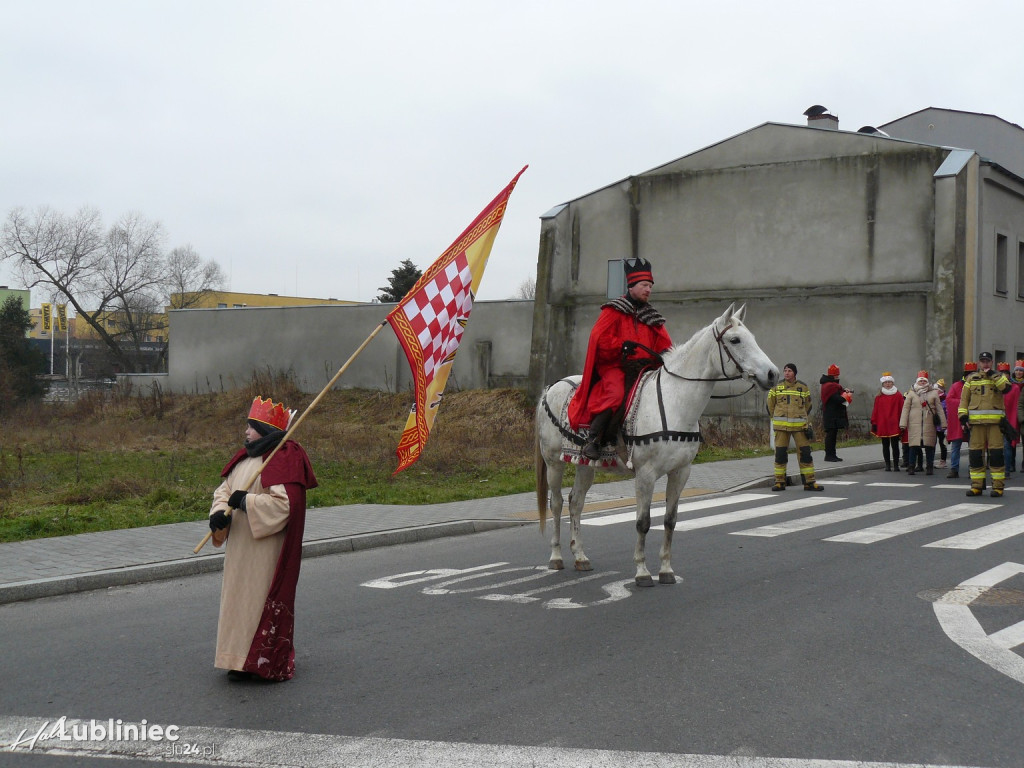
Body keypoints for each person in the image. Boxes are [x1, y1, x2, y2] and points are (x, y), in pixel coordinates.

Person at [209, 395, 317, 681]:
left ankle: (259, 662)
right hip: (240, 547)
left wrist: (248, 503)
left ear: (264, 430)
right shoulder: (245, 460)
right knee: (236, 601)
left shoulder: (282, 459)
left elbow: (285, 506)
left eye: (251, 426)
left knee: (256, 601)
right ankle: (236, 659)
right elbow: (224, 491)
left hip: (266, 549)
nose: (246, 432)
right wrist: (218, 514)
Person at [568, 257, 673, 460]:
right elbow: (599, 339)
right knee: (616, 395)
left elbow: (665, 345)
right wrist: (621, 346)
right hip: (616, 366)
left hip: (645, 369)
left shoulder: (652, 316)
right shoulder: (613, 310)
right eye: (644, 285)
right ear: (631, 286)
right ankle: (594, 439)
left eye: (650, 286)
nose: (648, 290)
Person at [959, 351, 1010, 497]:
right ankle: (977, 486)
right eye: (983, 361)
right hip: (976, 424)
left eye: (987, 361)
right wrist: (963, 417)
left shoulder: (999, 377)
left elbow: (1006, 389)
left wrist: (994, 375)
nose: (985, 363)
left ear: (991, 362)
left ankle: (998, 487)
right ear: (980, 363)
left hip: (995, 424)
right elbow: (964, 399)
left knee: (996, 455)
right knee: (975, 455)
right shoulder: (971, 379)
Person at [767, 362, 823, 492]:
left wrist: (801, 417)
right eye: (785, 370)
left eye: (789, 371)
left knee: (805, 455)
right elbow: (770, 405)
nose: (787, 373)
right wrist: (775, 418)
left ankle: (809, 482)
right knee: (780, 455)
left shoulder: (803, 387)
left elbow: (808, 405)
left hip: (800, 427)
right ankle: (780, 482)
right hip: (781, 428)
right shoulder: (777, 387)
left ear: (794, 373)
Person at [899, 370, 946, 475]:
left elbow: (939, 409)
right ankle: (911, 466)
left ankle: (929, 467)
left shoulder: (933, 393)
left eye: (924, 381)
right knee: (913, 446)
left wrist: (943, 424)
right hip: (914, 424)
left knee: (929, 446)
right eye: (920, 381)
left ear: (927, 382)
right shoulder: (911, 393)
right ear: (917, 382)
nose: (922, 383)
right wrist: (903, 423)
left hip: (929, 423)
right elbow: (905, 409)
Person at [944, 362, 973, 479]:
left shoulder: (977, 386)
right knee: (956, 446)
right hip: (958, 421)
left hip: (973, 420)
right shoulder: (956, 386)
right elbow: (949, 400)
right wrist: (964, 403)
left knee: (974, 447)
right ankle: (954, 469)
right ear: (965, 376)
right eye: (969, 375)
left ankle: (973, 469)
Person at [870, 372, 904, 471]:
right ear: (883, 384)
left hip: (894, 423)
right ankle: (887, 464)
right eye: (886, 382)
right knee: (885, 445)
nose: (888, 384)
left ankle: (896, 464)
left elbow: (902, 409)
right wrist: (874, 422)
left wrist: (902, 422)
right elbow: (875, 411)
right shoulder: (879, 397)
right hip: (883, 423)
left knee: (895, 445)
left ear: (893, 383)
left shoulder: (898, 395)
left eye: (890, 382)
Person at [819, 364, 852, 462]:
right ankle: (829, 455)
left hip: (832, 414)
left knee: (832, 435)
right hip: (831, 415)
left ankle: (832, 455)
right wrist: (847, 396)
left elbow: (835, 395)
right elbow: (836, 399)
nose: (838, 377)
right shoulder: (830, 386)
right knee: (831, 436)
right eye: (837, 375)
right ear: (834, 376)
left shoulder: (829, 385)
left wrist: (843, 392)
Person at [999, 362, 1020, 474]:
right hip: (997, 418)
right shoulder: (996, 386)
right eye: (1001, 373)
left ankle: (1007, 469)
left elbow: (1016, 405)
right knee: (997, 446)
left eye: (1005, 373)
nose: (1003, 375)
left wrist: (1014, 420)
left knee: (1007, 445)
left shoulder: (1014, 388)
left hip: (1008, 420)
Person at [934, 378, 948, 467]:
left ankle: (943, 461)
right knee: (932, 443)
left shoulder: (945, 399)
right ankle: (931, 460)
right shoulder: (934, 398)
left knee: (942, 443)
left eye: (937, 390)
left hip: (942, 425)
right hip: (934, 424)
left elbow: (947, 412)